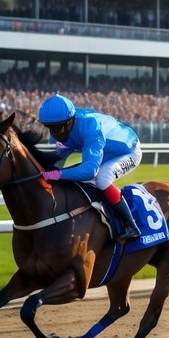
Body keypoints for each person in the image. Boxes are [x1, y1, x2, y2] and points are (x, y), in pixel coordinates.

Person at [37, 93, 142, 242]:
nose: (54, 134)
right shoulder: (61, 125)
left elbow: (90, 171)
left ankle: (131, 226)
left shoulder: (91, 126)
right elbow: (58, 160)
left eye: (57, 129)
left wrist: (57, 174)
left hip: (128, 151)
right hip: (105, 151)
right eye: (50, 128)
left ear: (68, 123)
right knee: (72, 174)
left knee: (101, 178)